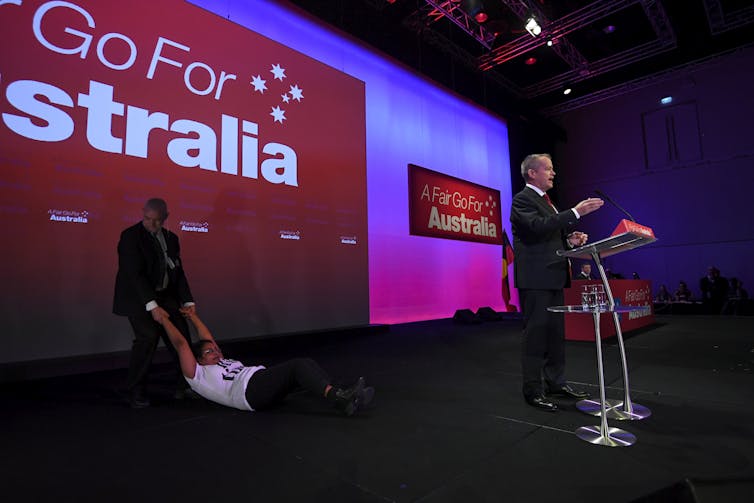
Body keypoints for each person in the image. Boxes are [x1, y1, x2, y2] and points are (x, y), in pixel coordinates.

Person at [510, 153, 604, 412]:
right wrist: (575, 212)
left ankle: (556, 383)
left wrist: (569, 241)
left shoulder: (548, 203)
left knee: (554, 335)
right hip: (536, 279)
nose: (553, 173)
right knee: (536, 335)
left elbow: (548, 236)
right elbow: (536, 228)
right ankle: (533, 390)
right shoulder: (522, 200)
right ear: (532, 173)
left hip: (553, 277)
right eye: (548, 169)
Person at [157, 308, 374, 416]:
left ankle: (344, 393)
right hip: (248, 391)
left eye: (216, 350)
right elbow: (181, 345)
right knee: (298, 366)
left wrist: (193, 317)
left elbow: (208, 339)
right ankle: (339, 398)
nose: (216, 352)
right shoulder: (196, 374)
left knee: (305, 368)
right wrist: (163, 318)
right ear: (199, 360)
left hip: (257, 383)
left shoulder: (218, 360)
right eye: (210, 352)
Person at [113, 198, 197, 408]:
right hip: (139, 297)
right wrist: (152, 306)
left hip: (165, 295)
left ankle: (184, 385)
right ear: (143, 213)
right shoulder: (130, 236)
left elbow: (177, 271)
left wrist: (188, 299)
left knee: (182, 338)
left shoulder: (171, 238)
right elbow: (135, 275)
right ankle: (135, 390)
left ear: (166, 218)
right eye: (147, 219)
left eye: (157, 220)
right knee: (148, 338)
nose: (151, 224)